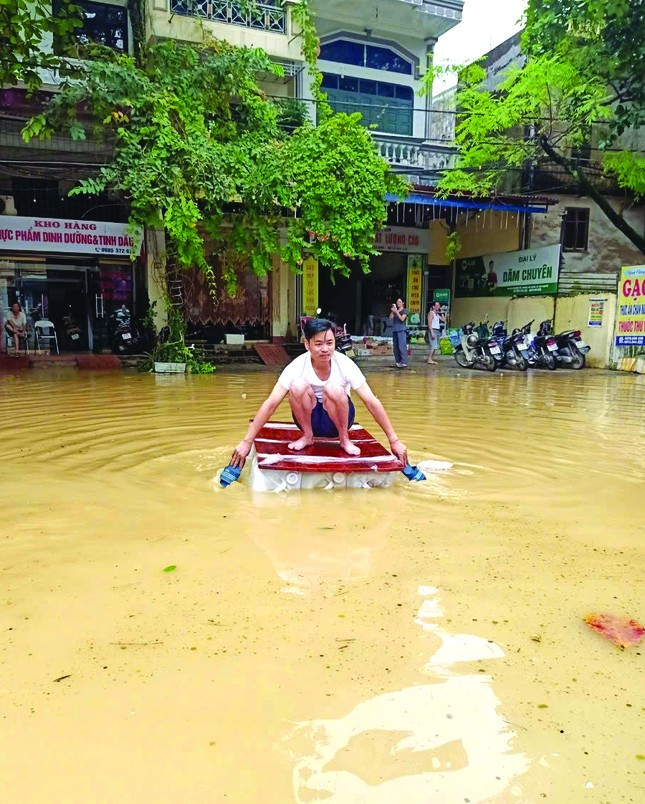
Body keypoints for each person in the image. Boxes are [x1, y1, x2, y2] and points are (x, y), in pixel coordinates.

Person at [230, 318, 408, 468]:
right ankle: (308, 437)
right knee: (297, 385)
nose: (325, 349)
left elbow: (371, 401)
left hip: (339, 419)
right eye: (319, 344)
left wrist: (394, 440)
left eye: (329, 343)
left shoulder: (345, 364)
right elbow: (271, 404)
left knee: (333, 388)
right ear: (307, 344)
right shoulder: (297, 366)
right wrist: (246, 442)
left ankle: (344, 440)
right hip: (311, 420)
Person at [389, 297, 408, 368]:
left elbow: (402, 319)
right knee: (396, 347)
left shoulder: (405, 310)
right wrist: (392, 311)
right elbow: (390, 317)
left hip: (401, 330)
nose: (398, 303)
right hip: (395, 329)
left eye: (400, 302)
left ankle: (404, 362)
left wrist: (396, 311)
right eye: (397, 302)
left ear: (403, 303)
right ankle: (398, 362)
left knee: (401, 346)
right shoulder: (395, 310)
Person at [427, 301, 445, 365]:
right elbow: (429, 323)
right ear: (433, 306)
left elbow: (443, 320)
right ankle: (429, 358)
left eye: (439, 306)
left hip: (437, 330)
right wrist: (432, 332)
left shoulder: (437, 314)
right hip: (433, 330)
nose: (438, 307)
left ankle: (431, 358)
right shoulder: (431, 313)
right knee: (433, 345)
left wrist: (442, 312)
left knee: (435, 346)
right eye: (437, 306)